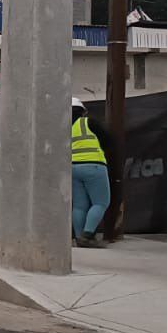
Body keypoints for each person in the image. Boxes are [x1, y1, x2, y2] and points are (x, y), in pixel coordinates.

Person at [71, 97, 114, 248]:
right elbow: (108, 140)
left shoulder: (63, 127)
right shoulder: (88, 122)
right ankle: (87, 235)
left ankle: (78, 237)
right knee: (101, 202)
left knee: (78, 206)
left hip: (73, 168)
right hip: (94, 166)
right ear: (82, 111)